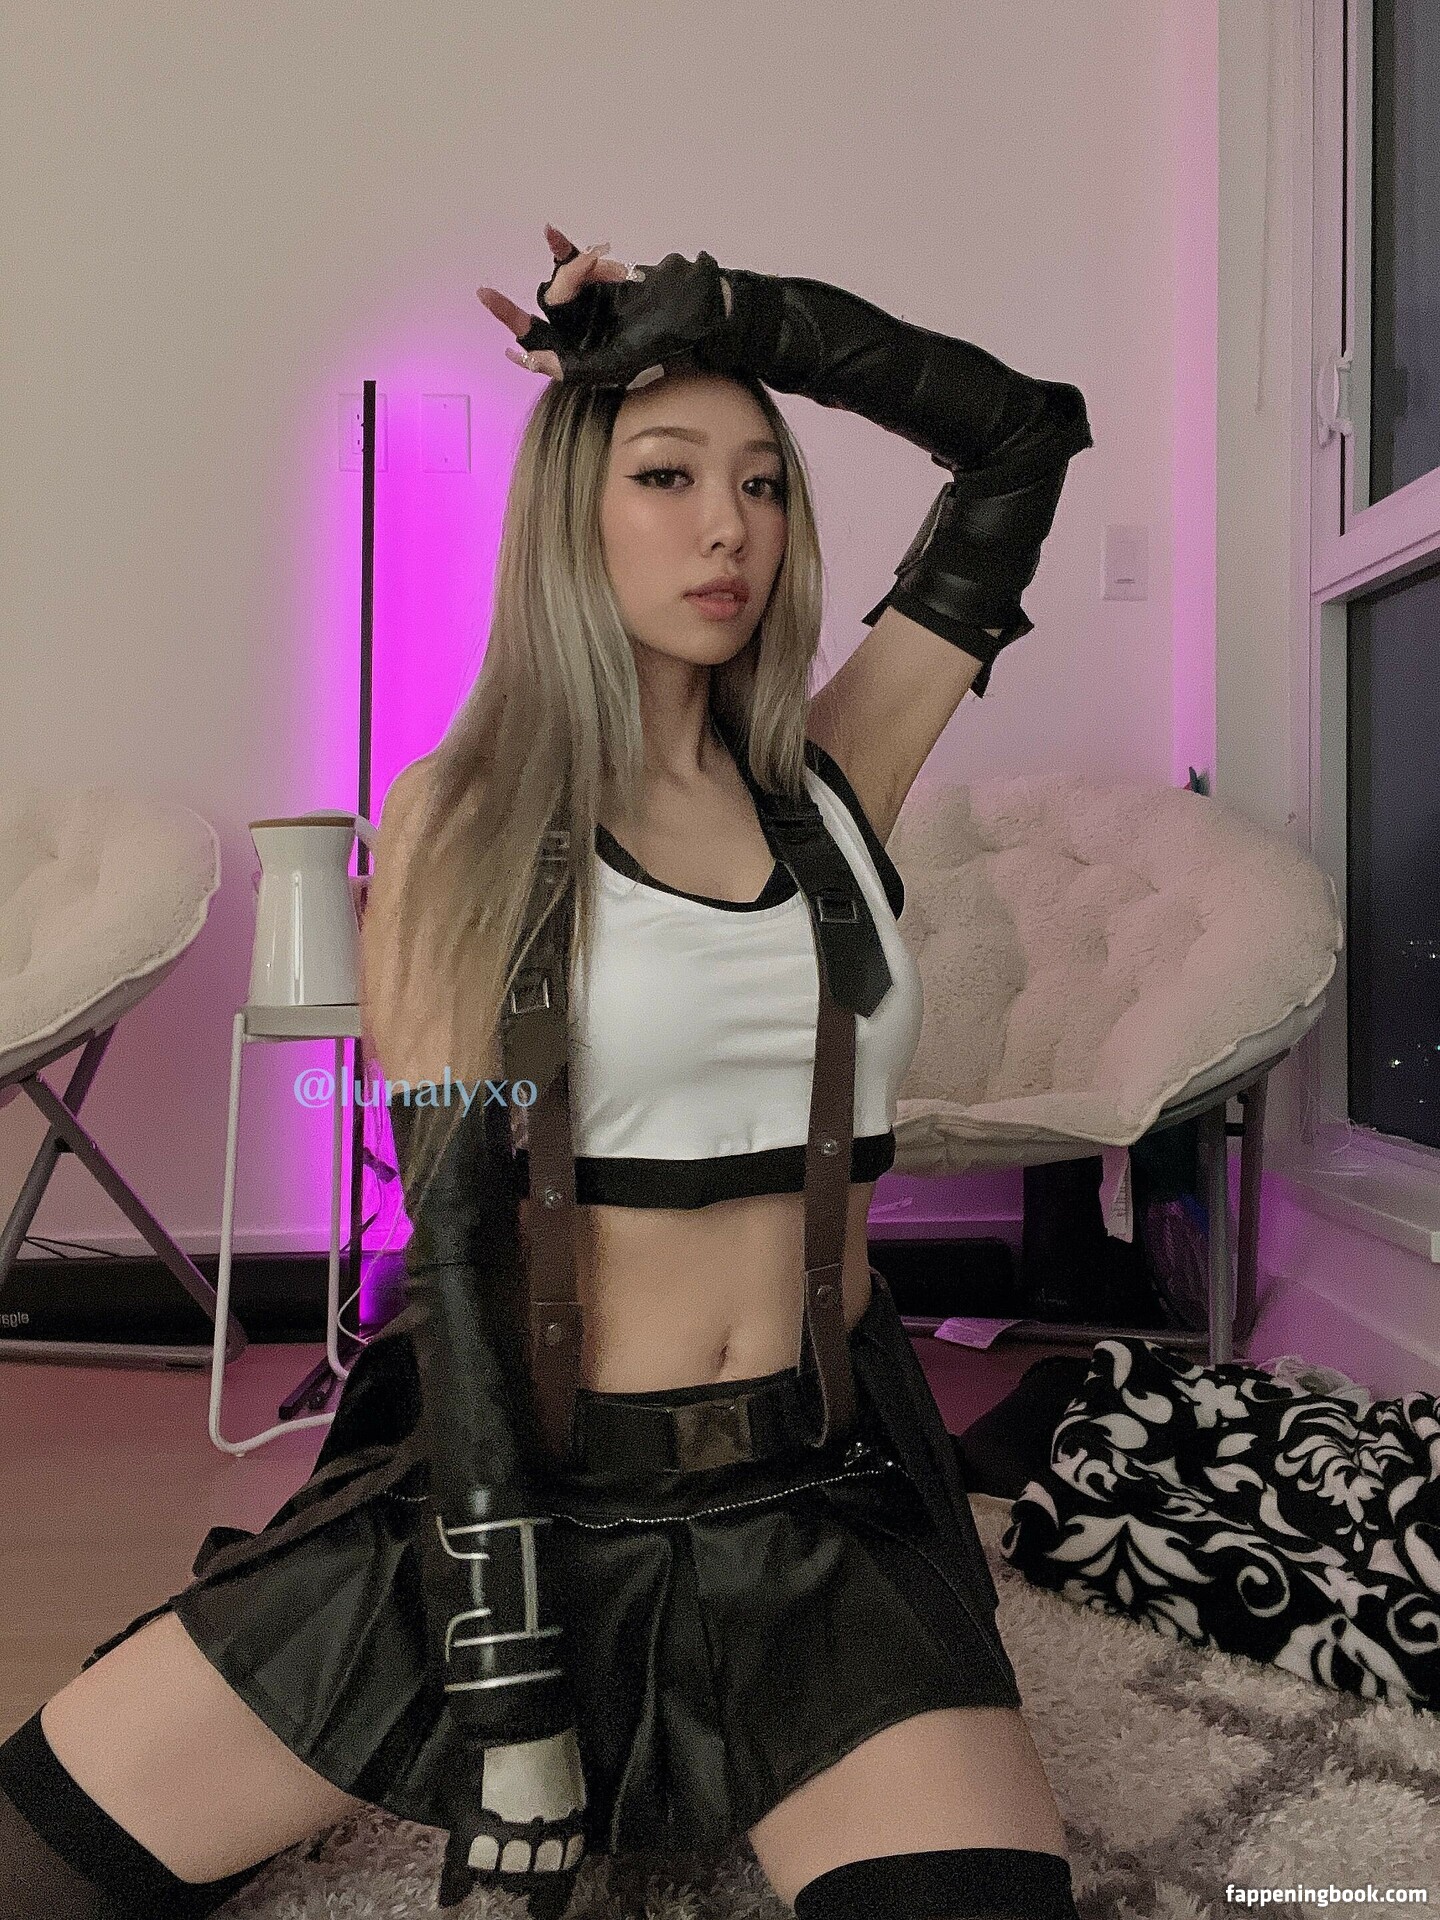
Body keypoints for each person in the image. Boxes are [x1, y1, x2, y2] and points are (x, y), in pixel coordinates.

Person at [0, 226, 1094, 1920]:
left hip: (817, 1513)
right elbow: (447, 1265)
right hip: (510, 1510)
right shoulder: (467, 813)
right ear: (571, 514)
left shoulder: (838, 773)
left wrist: (732, 314)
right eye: (666, 474)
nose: (728, 525)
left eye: (762, 483)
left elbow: (1023, 433)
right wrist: (510, 1692)